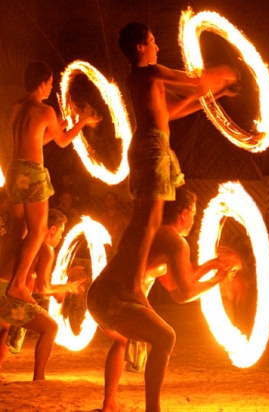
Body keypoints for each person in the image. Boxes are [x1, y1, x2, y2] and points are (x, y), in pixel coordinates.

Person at [93, 23, 237, 315]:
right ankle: (134, 281)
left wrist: (214, 96)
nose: (157, 47)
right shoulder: (148, 73)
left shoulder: (144, 79)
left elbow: (171, 111)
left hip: (154, 147)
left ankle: (133, 279)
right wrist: (221, 74)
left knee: (149, 220)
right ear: (140, 47)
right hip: (152, 148)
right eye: (153, 41)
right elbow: (193, 81)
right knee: (150, 221)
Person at [87, 187, 240, 412]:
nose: (194, 221)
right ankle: (153, 409)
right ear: (184, 213)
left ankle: (109, 404)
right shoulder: (175, 242)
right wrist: (218, 279)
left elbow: (175, 289)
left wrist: (210, 267)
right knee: (165, 337)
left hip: (98, 297)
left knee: (122, 339)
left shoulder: (156, 234)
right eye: (194, 214)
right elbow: (186, 293)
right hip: (115, 301)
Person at [3, 62, 99, 304]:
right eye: (50, 83)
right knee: (38, 232)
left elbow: (37, 140)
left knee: (17, 230)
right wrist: (83, 120)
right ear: (42, 82)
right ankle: (16, 285)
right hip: (33, 173)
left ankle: (5, 276)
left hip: (15, 171)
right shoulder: (43, 110)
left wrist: (63, 122)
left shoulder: (18, 107)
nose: (51, 88)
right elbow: (64, 141)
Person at [0, 209, 85, 380]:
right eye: (61, 232)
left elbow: (36, 288)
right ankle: (39, 377)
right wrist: (68, 287)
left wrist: (63, 287)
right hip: (5, 297)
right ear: (52, 229)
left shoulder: (23, 242)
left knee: (8, 326)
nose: (61, 237)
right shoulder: (45, 248)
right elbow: (44, 288)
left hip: (3, 292)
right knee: (50, 328)